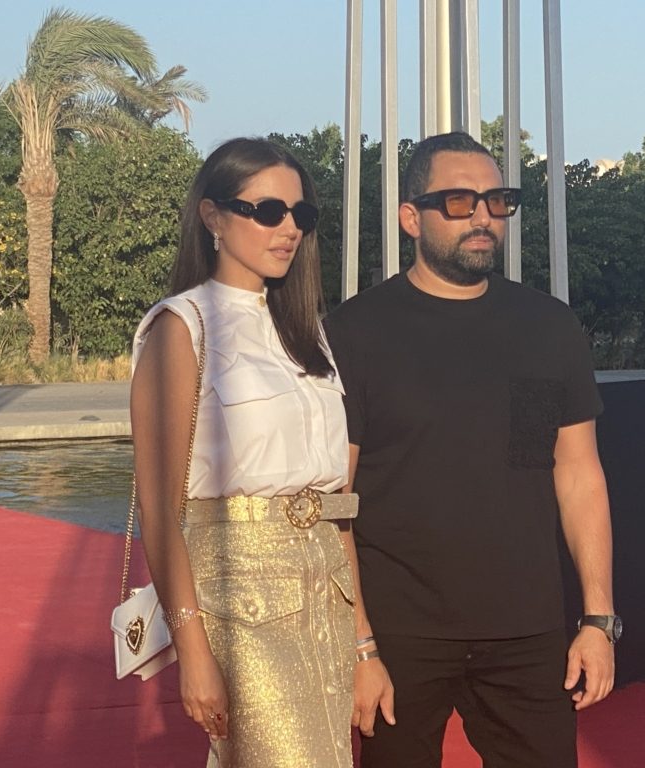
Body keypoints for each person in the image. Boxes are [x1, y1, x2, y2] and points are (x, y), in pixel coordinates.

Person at [324, 131, 618, 768]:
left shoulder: (549, 327)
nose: (483, 216)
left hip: (527, 629)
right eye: (459, 202)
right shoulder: (354, 333)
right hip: (401, 634)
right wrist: (360, 646)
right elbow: (334, 500)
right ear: (411, 218)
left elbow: (578, 475)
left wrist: (599, 621)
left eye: (497, 201)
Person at [130, 137, 388, 768]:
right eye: (269, 211)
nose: (289, 228)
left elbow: (333, 505)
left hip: (325, 594)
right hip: (240, 596)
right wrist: (193, 651)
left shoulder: (307, 333)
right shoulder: (182, 326)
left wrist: (364, 646)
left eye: (302, 214)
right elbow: (161, 511)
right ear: (213, 217)